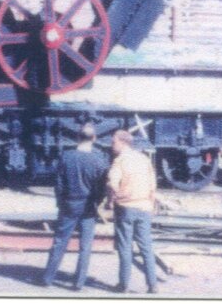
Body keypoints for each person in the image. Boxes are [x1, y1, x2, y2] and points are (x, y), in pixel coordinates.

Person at [40, 122, 108, 290]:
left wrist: (61, 202)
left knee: (60, 242)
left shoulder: (66, 156)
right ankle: (78, 282)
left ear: (78, 137)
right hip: (88, 206)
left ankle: (48, 278)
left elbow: (58, 184)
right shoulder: (99, 160)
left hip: (69, 205)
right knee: (85, 246)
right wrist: (97, 202)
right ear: (94, 138)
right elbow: (102, 188)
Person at [106, 129, 158, 294]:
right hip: (144, 207)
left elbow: (112, 184)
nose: (111, 145)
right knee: (146, 247)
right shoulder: (144, 159)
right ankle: (152, 284)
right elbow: (152, 185)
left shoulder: (120, 161)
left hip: (126, 208)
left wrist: (110, 201)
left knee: (125, 247)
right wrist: (151, 203)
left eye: (113, 142)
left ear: (122, 142)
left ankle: (123, 285)